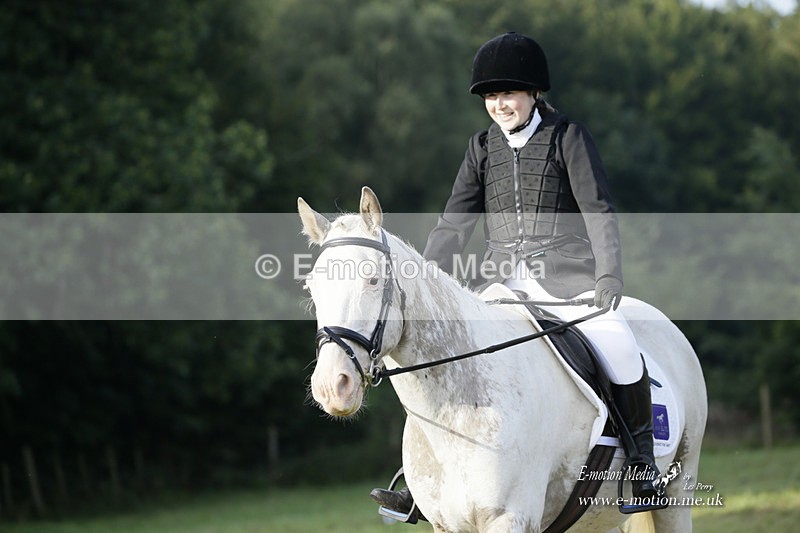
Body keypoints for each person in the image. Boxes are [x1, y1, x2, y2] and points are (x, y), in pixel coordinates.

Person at [370, 32, 662, 520]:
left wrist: (609, 272)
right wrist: (421, 284)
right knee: (439, 356)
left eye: (507, 94)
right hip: (501, 285)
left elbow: (598, 209)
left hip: (568, 280)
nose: (499, 105)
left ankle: (642, 464)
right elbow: (453, 223)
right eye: (490, 96)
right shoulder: (481, 148)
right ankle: (422, 481)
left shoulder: (568, 137)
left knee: (619, 344)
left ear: (533, 92)